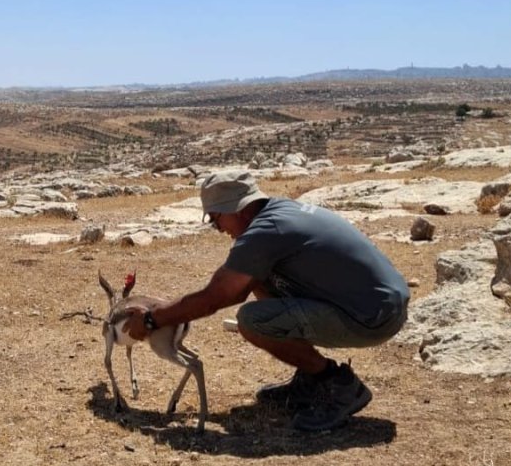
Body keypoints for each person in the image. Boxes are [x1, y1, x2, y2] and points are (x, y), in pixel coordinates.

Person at [124, 170, 409, 431]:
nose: (217, 228)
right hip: (378, 305)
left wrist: (152, 318)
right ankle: (310, 379)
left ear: (237, 208)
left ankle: (337, 385)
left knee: (253, 321)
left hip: (371, 317)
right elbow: (237, 285)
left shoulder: (266, 231)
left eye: (215, 218)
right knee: (258, 278)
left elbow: (216, 297)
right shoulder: (280, 212)